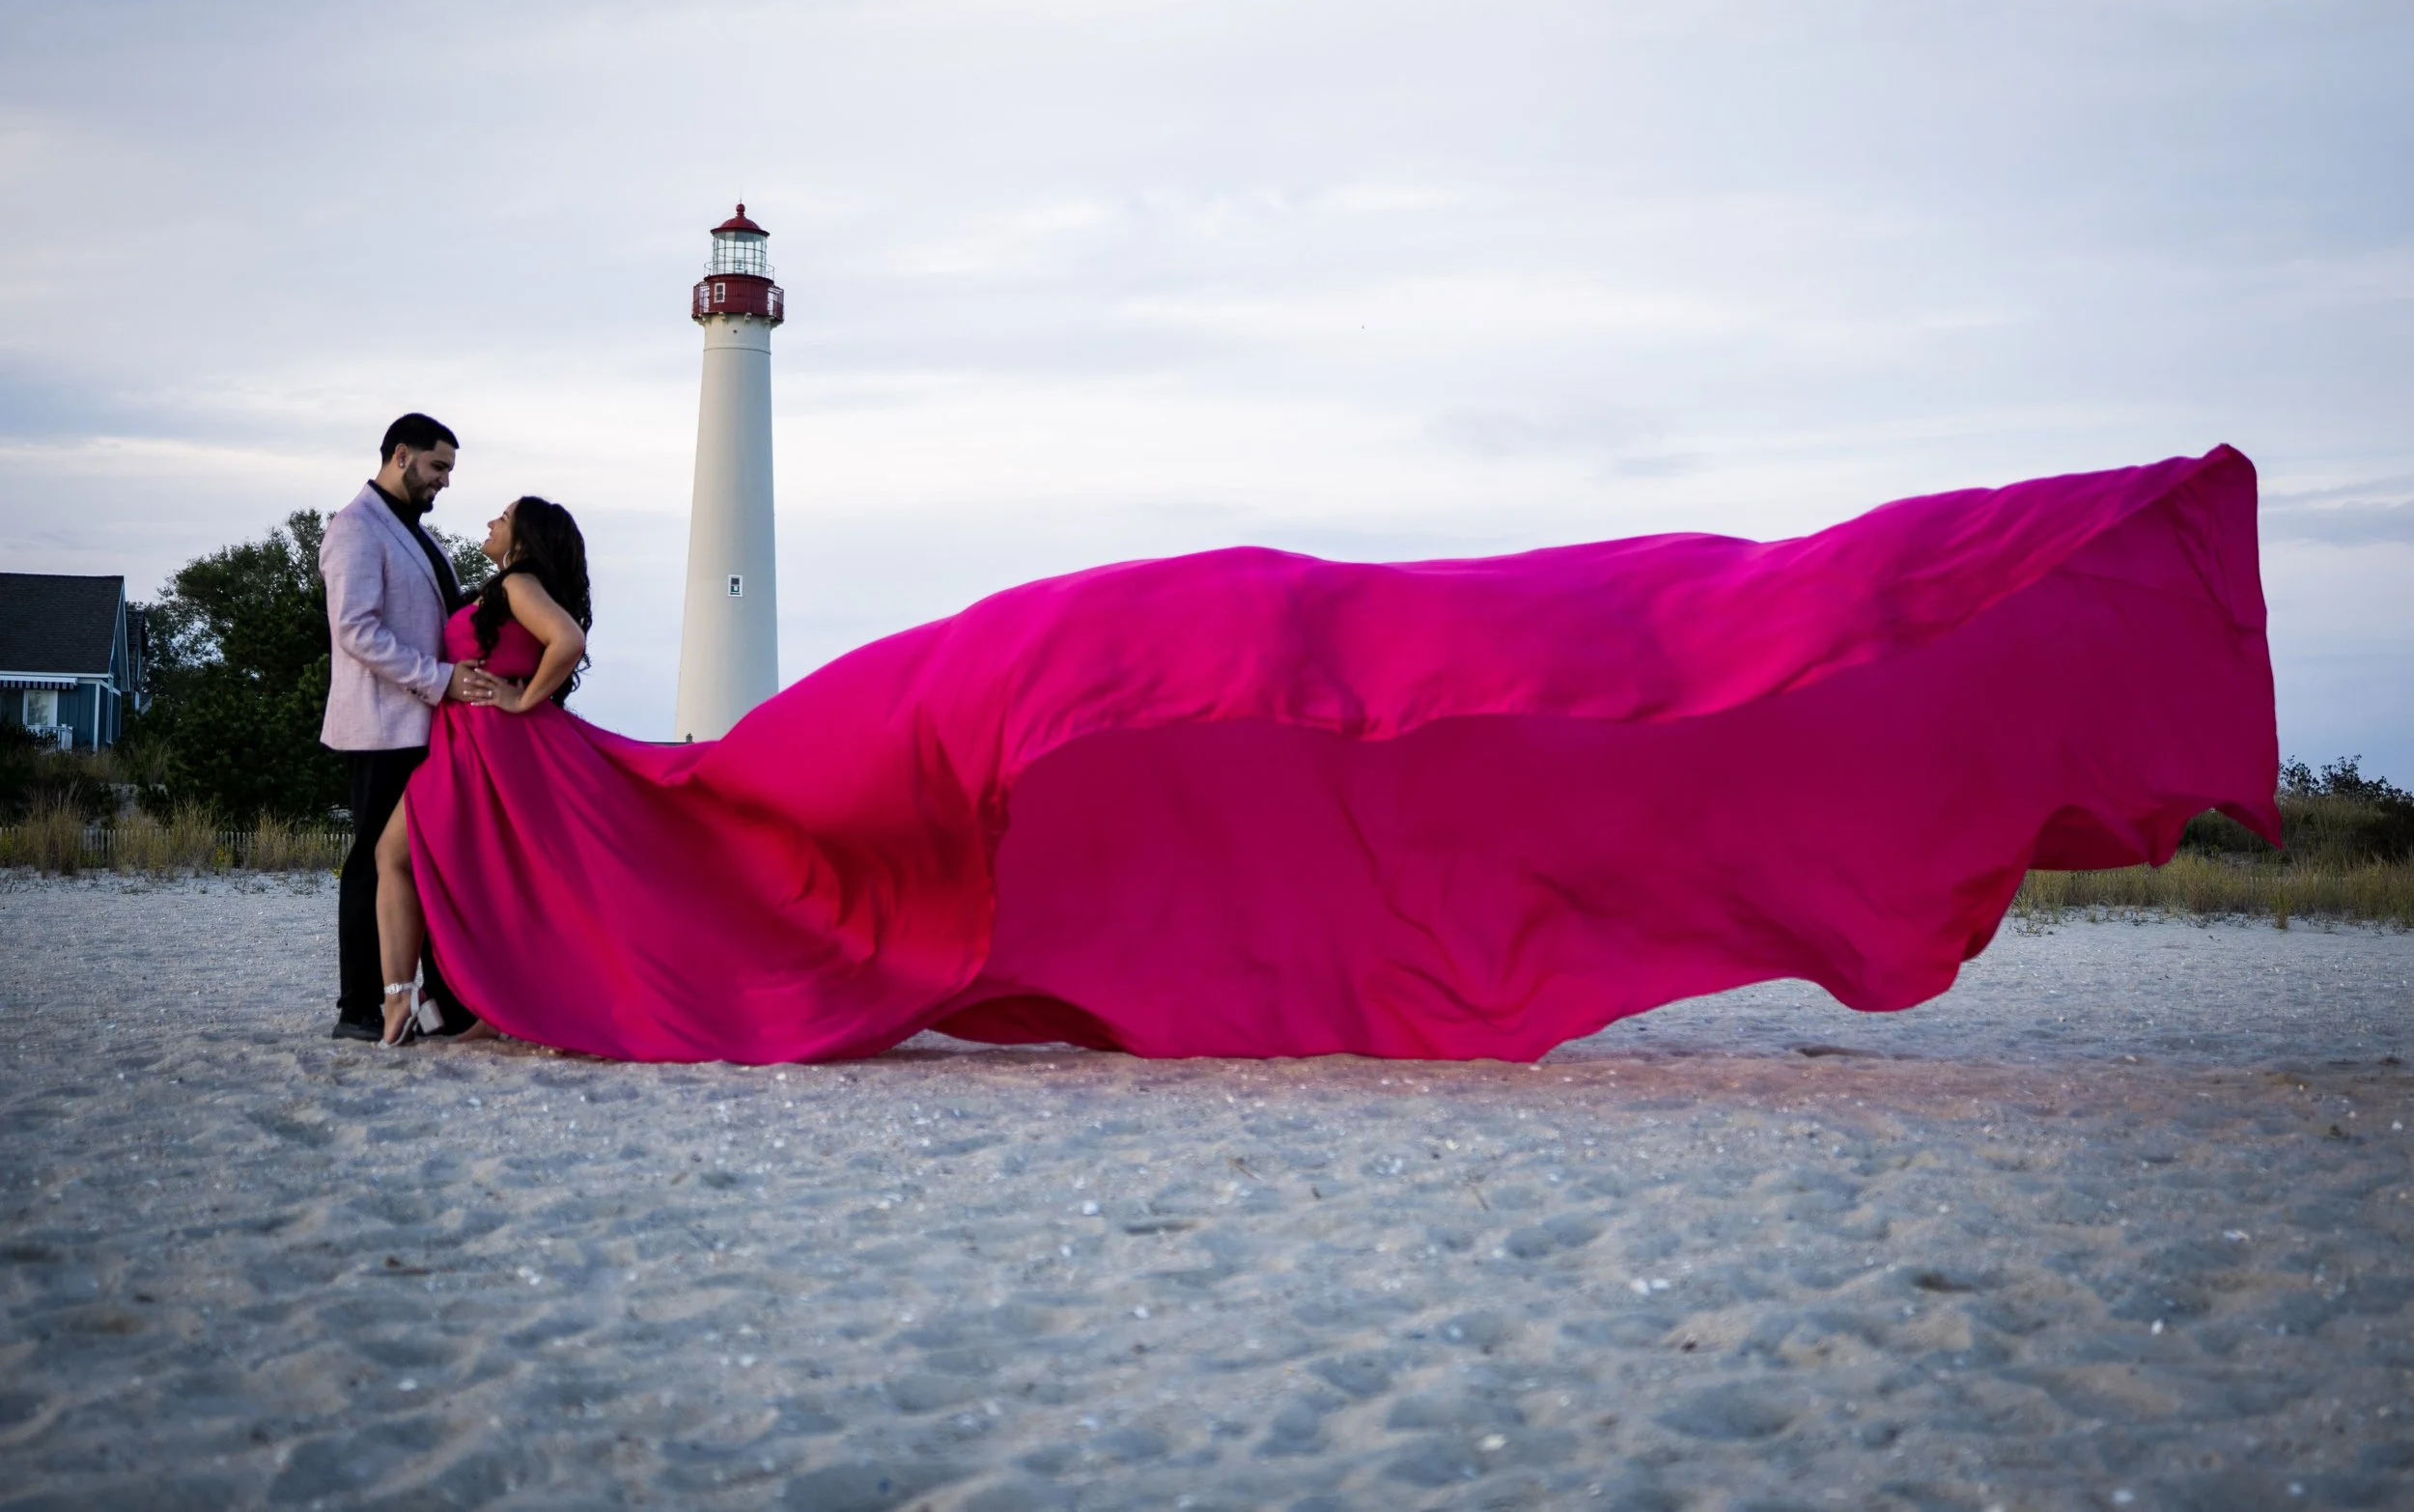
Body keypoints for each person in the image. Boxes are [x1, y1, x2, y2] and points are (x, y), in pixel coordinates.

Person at [389, 447, 2279, 1066]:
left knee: (1609, 654)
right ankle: (406, 981)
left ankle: (414, 987)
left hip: (1134, 650)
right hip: (1077, 666)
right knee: (1555, 657)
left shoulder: (1056, 665)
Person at [372, 495, 589, 1045]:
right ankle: (452, 1006)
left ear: (523, 537)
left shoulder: (519, 583)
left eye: (505, 516)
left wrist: (522, 701)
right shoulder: (504, 589)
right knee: (477, 874)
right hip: (469, 742)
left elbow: (568, 639)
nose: (492, 521)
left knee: (396, 855)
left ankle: (406, 999)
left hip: (483, 744)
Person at [318, 413, 495, 1043]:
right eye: (437, 466)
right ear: (400, 456)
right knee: (372, 862)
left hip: (421, 726)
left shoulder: (416, 534)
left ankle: (435, 1000)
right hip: (379, 725)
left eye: (449, 469)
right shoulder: (355, 528)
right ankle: (358, 1009)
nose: (445, 481)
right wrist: (439, 678)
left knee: (425, 862)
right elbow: (356, 629)